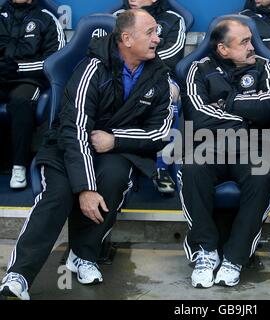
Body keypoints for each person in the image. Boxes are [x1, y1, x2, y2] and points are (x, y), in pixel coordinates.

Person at [0, 9, 173, 300]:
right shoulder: (92, 67)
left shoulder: (159, 75)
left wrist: (115, 140)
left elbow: (159, 133)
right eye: (151, 32)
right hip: (67, 146)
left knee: (115, 178)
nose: (158, 38)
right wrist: (85, 188)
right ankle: (18, 275)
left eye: (157, 32)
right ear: (127, 39)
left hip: (115, 150)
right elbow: (75, 129)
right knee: (57, 195)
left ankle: (83, 255)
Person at [179, 17, 270, 288]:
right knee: (191, 168)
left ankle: (235, 257)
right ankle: (205, 251)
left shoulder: (264, 66)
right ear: (223, 49)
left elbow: (269, 107)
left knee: (262, 177)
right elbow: (197, 116)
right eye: (244, 41)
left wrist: (226, 104)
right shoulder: (197, 69)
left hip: (253, 147)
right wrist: (246, 119)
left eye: (251, 39)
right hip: (208, 144)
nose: (252, 46)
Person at [115, 0, 186, 195]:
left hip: (161, 74)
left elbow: (172, 55)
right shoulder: (118, 18)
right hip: (124, 72)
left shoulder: (173, 19)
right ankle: (124, 163)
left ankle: (161, 167)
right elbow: (110, 51)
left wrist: (139, 58)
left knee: (170, 97)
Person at [0, 0, 65, 189]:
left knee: (21, 100)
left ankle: (18, 167)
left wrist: (18, 69)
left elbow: (56, 60)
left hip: (29, 79)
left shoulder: (47, 17)